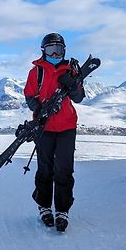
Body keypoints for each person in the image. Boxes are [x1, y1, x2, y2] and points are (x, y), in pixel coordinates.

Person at [23, 33, 85, 232]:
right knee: (45, 168)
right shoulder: (36, 72)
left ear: (64, 50)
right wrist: (38, 108)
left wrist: (73, 84)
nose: (55, 54)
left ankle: (62, 209)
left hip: (67, 126)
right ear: (44, 51)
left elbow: (79, 98)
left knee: (64, 169)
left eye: (58, 49)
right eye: (51, 50)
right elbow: (29, 95)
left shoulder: (72, 70)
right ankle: (44, 206)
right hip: (44, 127)